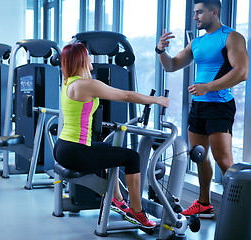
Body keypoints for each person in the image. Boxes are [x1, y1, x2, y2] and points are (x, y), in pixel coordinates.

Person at [53, 43, 169, 228]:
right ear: (82, 59)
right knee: (132, 157)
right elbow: (126, 96)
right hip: (76, 151)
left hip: (63, 147)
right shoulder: (87, 84)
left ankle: (117, 199)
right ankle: (137, 212)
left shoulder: (68, 82)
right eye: (88, 55)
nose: (91, 58)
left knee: (108, 149)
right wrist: (156, 100)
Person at [156, 0, 248, 218]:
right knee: (199, 155)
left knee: (223, 159)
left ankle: (239, 210)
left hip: (220, 105)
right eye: (194, 13)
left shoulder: (231, 37)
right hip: (199, 106)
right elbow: (171, 66)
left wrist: (208, 86)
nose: (195, 17)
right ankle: (204, 203)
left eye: (199, 13)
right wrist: (161, 50)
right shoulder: (196, 43)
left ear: (214, 12)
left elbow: (242, 71)